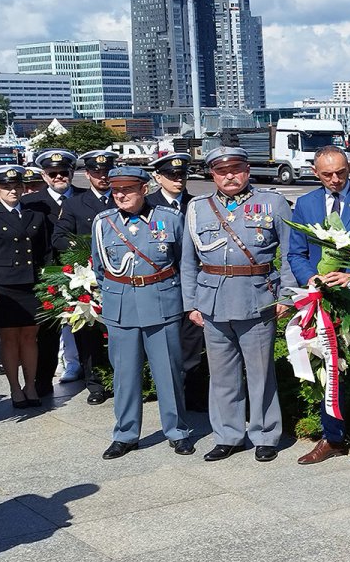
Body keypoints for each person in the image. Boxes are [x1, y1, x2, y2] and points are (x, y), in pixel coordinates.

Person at [181, 147, 294, 463]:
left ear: (247, 169)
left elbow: (291, 253)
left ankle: (265, 435)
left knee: (260, 373)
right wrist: (191, 303)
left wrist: (286, 296)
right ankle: (228, 436)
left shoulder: (273, 203)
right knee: (222, 375)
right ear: (211, 174)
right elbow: (188, 262)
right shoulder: (198, 208)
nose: (229, 175)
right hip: (212, 301)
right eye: (221, 170)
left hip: (257, 299)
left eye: (236, 168)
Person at [288, 145, 350, 467]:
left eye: (341, 173)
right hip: (322, 303)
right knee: (327, 372)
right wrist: (313, 281)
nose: (334, 179)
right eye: (327, 174)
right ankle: (332, 438)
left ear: (349, 168)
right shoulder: (305, 205)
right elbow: (296, 254)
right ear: (315, 172)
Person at [91, 166, 193, 459]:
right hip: (121, 306)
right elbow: (101, 269)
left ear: (143, 190)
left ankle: (177, 431)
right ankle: (125, 434)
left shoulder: (169, 219)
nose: (120, 195)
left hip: (161, 304)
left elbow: (182, 262)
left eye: (128, 189)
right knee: (125, 375)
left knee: (169, 373)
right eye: (116, 190)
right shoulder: (103, 223)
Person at [51, 150, 118, 405]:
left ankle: (124, 379)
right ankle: (96, 384)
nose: (103, 176)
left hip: (122, 277)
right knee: (89, 334)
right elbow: (59, 237)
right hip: (89, 278)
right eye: (97, 172)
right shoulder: (75, 203)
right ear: (87, 174)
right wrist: (85, 249)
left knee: (120, 333)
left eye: (107, 171)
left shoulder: (125, 197)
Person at [147, 152, 208, 413]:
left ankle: (193, 396)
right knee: (166, 347)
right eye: (172, 175)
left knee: (194, 345)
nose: (178, 179)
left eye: (182, 175)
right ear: (158, 177)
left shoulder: (198, 204)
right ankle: (170, 397)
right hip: (162, 287)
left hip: (193, 286)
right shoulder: (147, 205)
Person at [24, 149, 86, 397]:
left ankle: (87, 373)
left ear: (72, 172)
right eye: (53, 173)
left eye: (64, 172)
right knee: (48, 330)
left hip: (81, 270)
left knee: (85, 323)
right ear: (44, 175)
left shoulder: (84, 198)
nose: (59, 177)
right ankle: (44, 379)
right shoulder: (32, 202)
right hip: (46, 272)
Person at [0, 165, 49, 408]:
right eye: (7, 187)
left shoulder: (35, 215)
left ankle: (30, 386)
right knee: (8, 339)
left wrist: (49, 283)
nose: (13, 191)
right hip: (5, 286)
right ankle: (15, 389)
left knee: (29, 337)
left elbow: (45, 252)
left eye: (17, 186)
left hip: (32, 283)